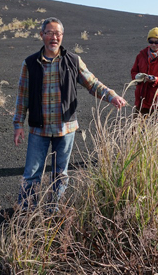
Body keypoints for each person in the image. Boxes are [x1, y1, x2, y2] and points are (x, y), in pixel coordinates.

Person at [13, 17, 127, 209]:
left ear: (62, 36)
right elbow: (22, 96)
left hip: (65, 128)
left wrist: (111, 96)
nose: (53, 37)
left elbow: (92, 83)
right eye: (49, 32)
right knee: (32, 172)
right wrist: (18, 125)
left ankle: (53, 209)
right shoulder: (30, 63)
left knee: (60, 173)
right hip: (38, 128)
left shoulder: (73, 60)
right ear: (41, 35)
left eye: (57, 33)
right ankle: (26, 209)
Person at [130, 27, 158, 115]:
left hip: (157, 102)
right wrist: (137, 77)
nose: (153, 45)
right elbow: (133, 71)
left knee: (155, 128)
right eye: (151, 42)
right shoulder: (141, 55)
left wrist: (155, 79)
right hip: (141, 100)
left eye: (156, 42)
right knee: (136, 128)